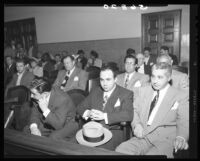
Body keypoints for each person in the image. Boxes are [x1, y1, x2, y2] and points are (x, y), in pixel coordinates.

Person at [115, 62, 189, 158]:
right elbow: (134, 110)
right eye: (153, 76)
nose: (155, 81)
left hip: (164, 140)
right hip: (143, 136)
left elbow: (184, 120)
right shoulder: (143, 91)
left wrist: (181, 137)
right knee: (120, 150)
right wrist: (136, 124)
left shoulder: (180, 95)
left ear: (169, 78)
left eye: (160, 77)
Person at [77, 64, 133, 150]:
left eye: (108, 79)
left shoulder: (126, 93)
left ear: (115, 79)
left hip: (113, 132)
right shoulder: (96, 91)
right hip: (92, 131)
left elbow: (128, 114)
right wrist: (88, 113)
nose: (104, 83)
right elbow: (80, 107)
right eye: (102, 80)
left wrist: (104, 116)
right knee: (76, 148)